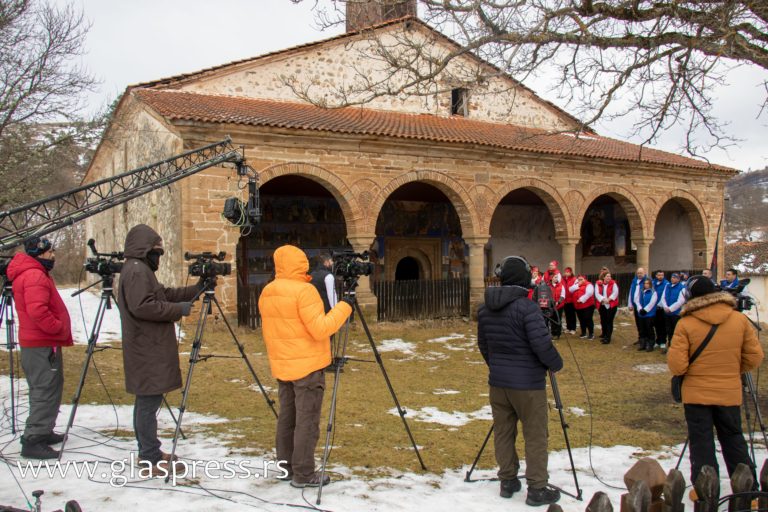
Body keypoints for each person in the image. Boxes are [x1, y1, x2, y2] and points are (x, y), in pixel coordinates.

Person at [258, 245, 353, 488]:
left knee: (287, 419)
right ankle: (304, 473)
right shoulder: (304, 291)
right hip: (307, 366)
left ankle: (285, 467)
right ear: (301, 263)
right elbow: (321, 328)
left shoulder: (268, 291)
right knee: (307, 422)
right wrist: (345, 306)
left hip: (283, 364)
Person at [478, 255, 563, 506]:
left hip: (499, 383)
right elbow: (541, 345)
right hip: (527, 385)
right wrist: (556, 364)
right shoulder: (528, 308)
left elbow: (484, 345)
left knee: (503, 432)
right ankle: (537, 488)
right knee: (536, 434)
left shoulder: (485, 308)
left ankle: (508, 480)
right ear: (524, 279)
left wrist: (497, 366)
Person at [118, 225, 200, 475]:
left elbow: (164, 294)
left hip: (148, 345)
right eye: (156, 251)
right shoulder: (135, 271)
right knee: (147, 402)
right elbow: (143, 306)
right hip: (145, 347)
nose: (159, 256)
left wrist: (197, 289)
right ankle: (149, 457)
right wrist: (179, 310)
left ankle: (150, 450)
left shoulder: (140, 270)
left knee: (148, 401)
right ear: (145, 249)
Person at [668, 275, 763, 488]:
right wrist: (731, 370)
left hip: (696, 393)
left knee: (701, 441)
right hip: (728, 391)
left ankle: (705, 490)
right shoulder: (738, 319)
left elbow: (677, 366)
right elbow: (754, 358)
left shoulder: (686, 324)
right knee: (733, 438)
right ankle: (747, 487)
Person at [6, 237, 72, 459]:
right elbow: (38, 311)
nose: (53, 255)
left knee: (49, 386)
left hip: (42, 341)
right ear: (41, 253)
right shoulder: (34, 275)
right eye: (50, 252)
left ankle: (43, 430)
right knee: (44, 389)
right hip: (41, 341)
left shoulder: (34, 273)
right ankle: (34, 439)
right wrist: (57, 327)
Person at [659, 273, 686, 354]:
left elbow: (680, 301)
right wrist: (665, 307)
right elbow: (663, 297)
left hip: (676, 313)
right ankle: (670, 345)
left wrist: (671, 309)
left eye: (675, 278)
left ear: (678, 279)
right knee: (668, 330)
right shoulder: (667, 286)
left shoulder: (682, 288)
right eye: (672, 277)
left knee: (675, 331)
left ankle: (675, 348)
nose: (672, 279)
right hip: (667, 312)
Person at [633, 277, 657, 352]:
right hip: (641, 313)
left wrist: (645, 310)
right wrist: (640, 309)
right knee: (642, 329)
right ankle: (643, 344)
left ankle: (650, 344)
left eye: (647, 283)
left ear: (650, 284)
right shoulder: (641, 291)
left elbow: (652, 303)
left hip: (649, 314)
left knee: (649, 329)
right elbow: (637, 300)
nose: (646, 285)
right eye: (645, 283)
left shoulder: (653, 292)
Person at [594, 272, 619, 345]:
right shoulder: (598, 284)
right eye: (607, 276)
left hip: (611, 305)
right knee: (603, 320)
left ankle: (608, 338)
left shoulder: (613, 284)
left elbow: (615, 292)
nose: (609, 278)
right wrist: (603, 299)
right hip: (602, 304)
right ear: (603, 277)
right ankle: (604, 334)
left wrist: (609, 299)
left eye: (610, 276)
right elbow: (597, 293)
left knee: (609, 321)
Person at [570, 275, 595, 339]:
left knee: (588, 319)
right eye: (579, 279)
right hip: (578, 306)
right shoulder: (576, 285)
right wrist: (577, 285)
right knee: (581, 320)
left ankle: (591, 333)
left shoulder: (589, 285)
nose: (580, 281)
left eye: (581, 279)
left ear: (585, 279)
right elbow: (570, 289)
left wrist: (581, 299)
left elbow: (589, 293)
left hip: (588, 305)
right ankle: (583, 332)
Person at [627, 267, 647, 345]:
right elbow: (631, 292)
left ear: (644, 273)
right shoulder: (634, 281)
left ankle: (645, 339)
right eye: (638, 273)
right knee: (638, 323)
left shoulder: (647, 281)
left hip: (643, 307)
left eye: (641, 273)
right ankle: (640, 338)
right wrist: (630, 304)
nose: (639, 274)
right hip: (635, 305)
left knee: (643, 324)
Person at [652, 270, 670, 350]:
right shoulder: (653, 283)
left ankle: (663, 341)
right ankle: (658, 340)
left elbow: (665, 295)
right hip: (653, 307)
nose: (660, 276)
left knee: (663, 325)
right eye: (659, 275)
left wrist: (659, 304)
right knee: (656, 325)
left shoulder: (666, 284)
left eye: (662, 275)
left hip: (661, 307)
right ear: (656, 276)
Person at [561, 267, 577, 334]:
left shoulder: (574, 279)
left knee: (572, 314)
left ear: (571, 273)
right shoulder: (563, 279)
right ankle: (568, 327)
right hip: (565, 299)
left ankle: (573, 328)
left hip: (571, 300)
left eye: (568, 272)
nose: (566, 273)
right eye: (565, 272)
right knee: (567, 314)